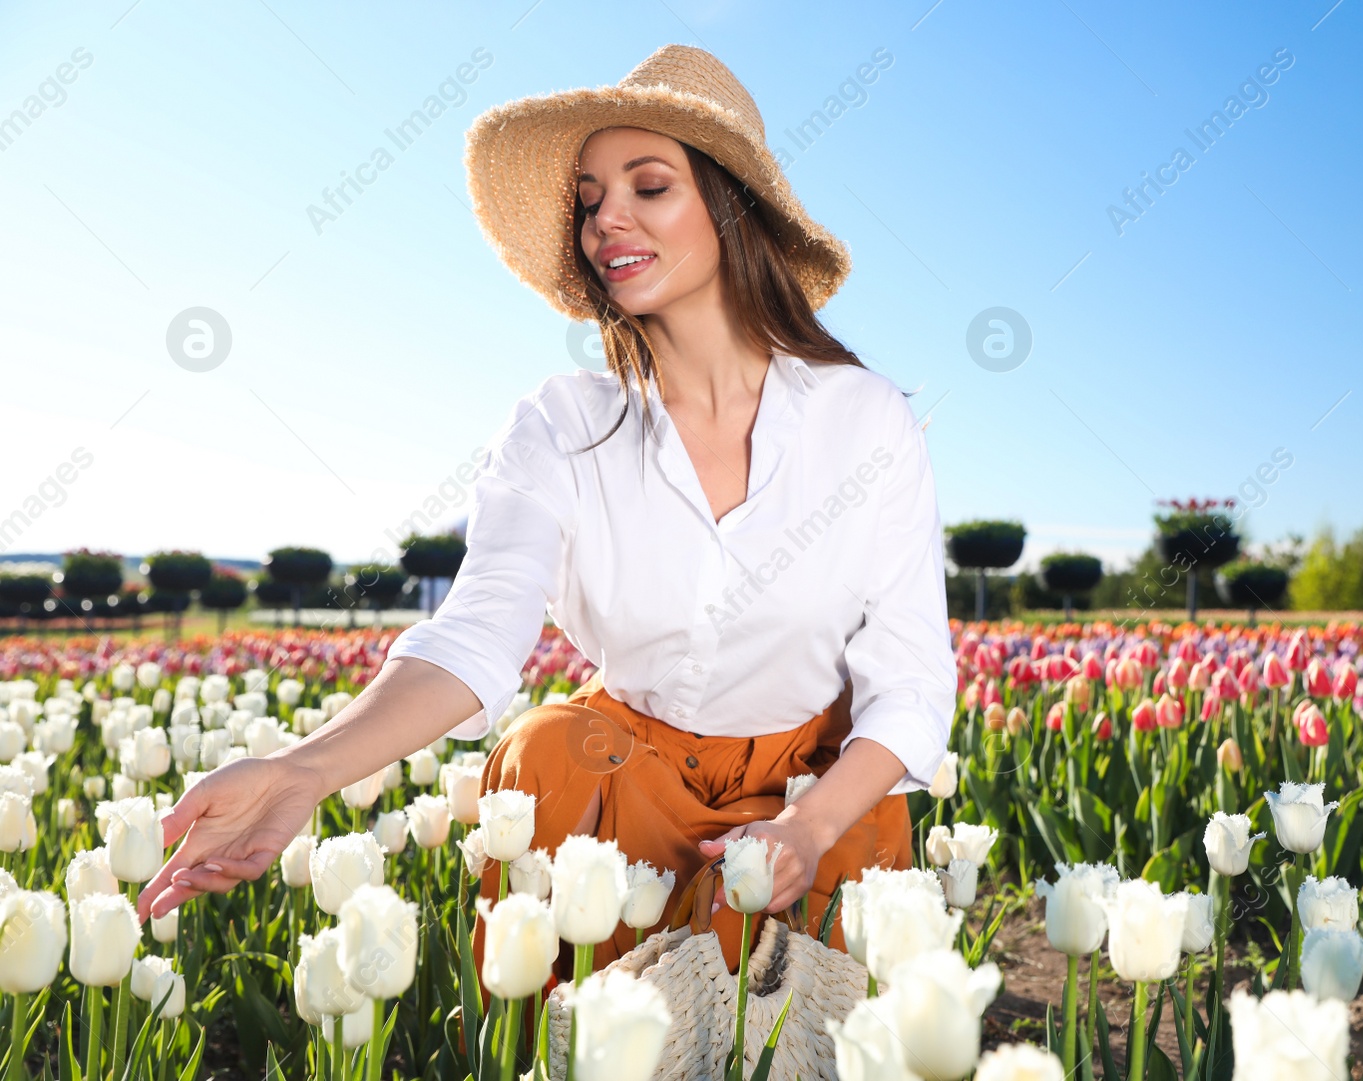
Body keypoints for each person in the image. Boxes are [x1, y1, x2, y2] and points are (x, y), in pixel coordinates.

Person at [137, 43, 957, 979]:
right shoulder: (561, 426)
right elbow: (475, 637)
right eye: (589, 197)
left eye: (649, 186)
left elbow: (912, 680)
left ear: (731, 206)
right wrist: (303, 769)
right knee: (549, 751)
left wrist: (807, 826)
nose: (607, 217)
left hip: (815, 794)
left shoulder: (865, 421)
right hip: (624, 778)